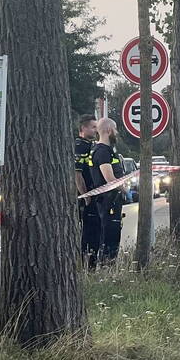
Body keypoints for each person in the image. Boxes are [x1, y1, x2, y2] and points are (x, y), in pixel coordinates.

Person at [90, 118, 127, 264]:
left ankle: (109, 263)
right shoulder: (102, 152)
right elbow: (109, 178)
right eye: (115, 129)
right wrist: (124, 189)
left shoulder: (107, 150)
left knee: (112, 235)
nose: (116, 133)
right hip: (108, 201)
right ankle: (107, 265)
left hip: (110, 200)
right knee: (110, 237)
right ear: (109, 130)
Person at [74, 114, 101, 266]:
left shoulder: (91, 145)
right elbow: (77, 174)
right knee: (88, 232)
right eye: (93, 127)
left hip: (94, 193)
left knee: (95, 231)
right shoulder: (80, 146)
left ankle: (91, 263)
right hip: (86, 197)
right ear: (83, 128)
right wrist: (85, 195)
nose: (96, 130)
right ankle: (85, 263)